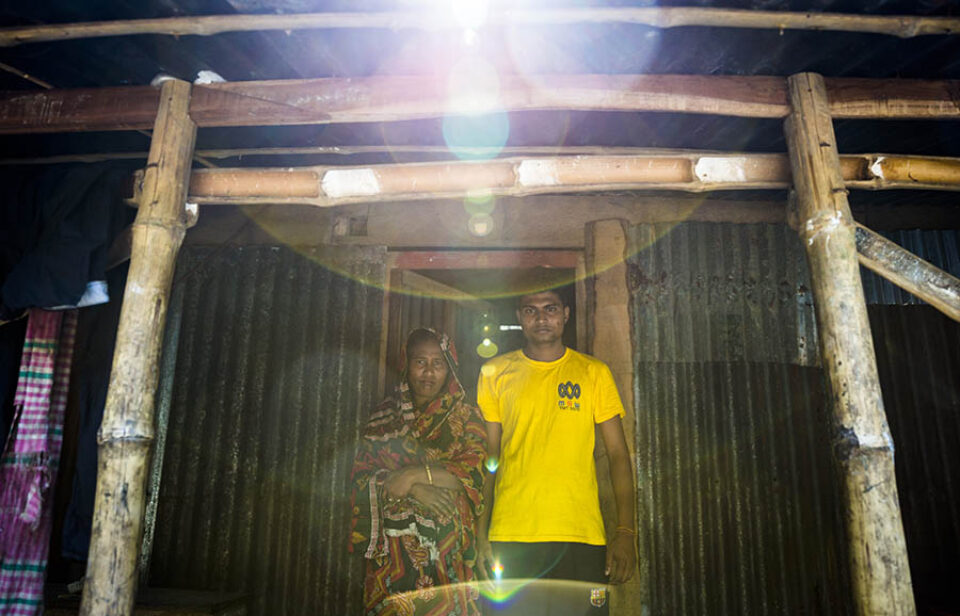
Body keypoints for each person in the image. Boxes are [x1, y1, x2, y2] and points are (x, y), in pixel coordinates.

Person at [475, 289, 637, 615]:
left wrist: (625, 532)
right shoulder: (494, 373)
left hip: (581, 534)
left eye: (549, 309)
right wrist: (480, 536)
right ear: (520, 318)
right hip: (512, 534)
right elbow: (488, 459)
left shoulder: (594, 373)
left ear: (565, 314)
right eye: (531, 310)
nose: (541, 318)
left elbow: (618, 455)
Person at [350, 328, 487, 616]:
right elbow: (360, 479)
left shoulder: (466, 417)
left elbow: (472, 475)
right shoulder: (383, 417)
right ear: (406, 364)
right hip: (393, 558)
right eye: (419, 362)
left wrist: (411, 476)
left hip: (448, 550)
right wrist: (416, 488)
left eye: (437, 363)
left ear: (449, 367)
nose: (428, 372)